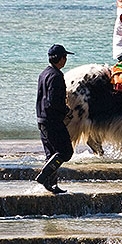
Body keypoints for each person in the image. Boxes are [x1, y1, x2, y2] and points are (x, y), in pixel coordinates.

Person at [35, 44, 75, 194]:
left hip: (41, 118)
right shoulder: (57, 76)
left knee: (51, 154)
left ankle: (52, 185)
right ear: (61, 59)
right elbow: (54, 101)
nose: (66, 60)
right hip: (53, 120)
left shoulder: (44, 73)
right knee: (65, 152)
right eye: (65, 57)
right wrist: (67, 111)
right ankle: (44, 176)